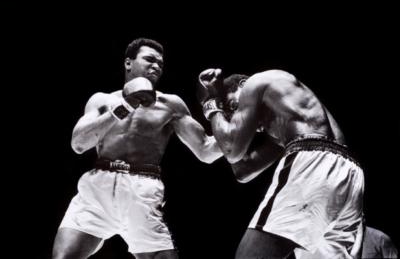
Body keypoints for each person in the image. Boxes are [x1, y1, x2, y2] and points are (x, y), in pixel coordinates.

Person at [52, 38, 223, 259]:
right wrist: (124, 107)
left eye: (160, 63)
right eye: (149, 59)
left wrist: (239, 122)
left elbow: (206, 151)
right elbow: (78, 144)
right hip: (97, 189)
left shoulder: (170, 105)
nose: (156, 66)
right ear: (128, 63)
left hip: (141, 190)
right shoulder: (102, 100)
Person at [197, 68, 365, 258]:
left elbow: (231, 151)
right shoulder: (289, 124)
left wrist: (211, 103)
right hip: (349, 176)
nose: (237, 118)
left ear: (243, 85)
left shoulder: (259, 82)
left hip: (314, 165)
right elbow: (242, 170)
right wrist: (232, 132)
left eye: (235, 106)